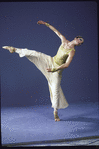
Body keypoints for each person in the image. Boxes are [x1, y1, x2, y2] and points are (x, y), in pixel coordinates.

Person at [2, 20, 84, 121]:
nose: (80, 41)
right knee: (35, 53)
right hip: (50, 60)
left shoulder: (72, 52)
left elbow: (66, 65)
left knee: (55, 91)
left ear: (79, 45)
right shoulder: (64, 40)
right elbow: (56, 31)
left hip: (57, 71)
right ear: (76, 38)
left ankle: (55, 113)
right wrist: (45, 23)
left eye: (81, 42)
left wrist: (54, 69)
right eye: (80, 39)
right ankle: (14, 49)